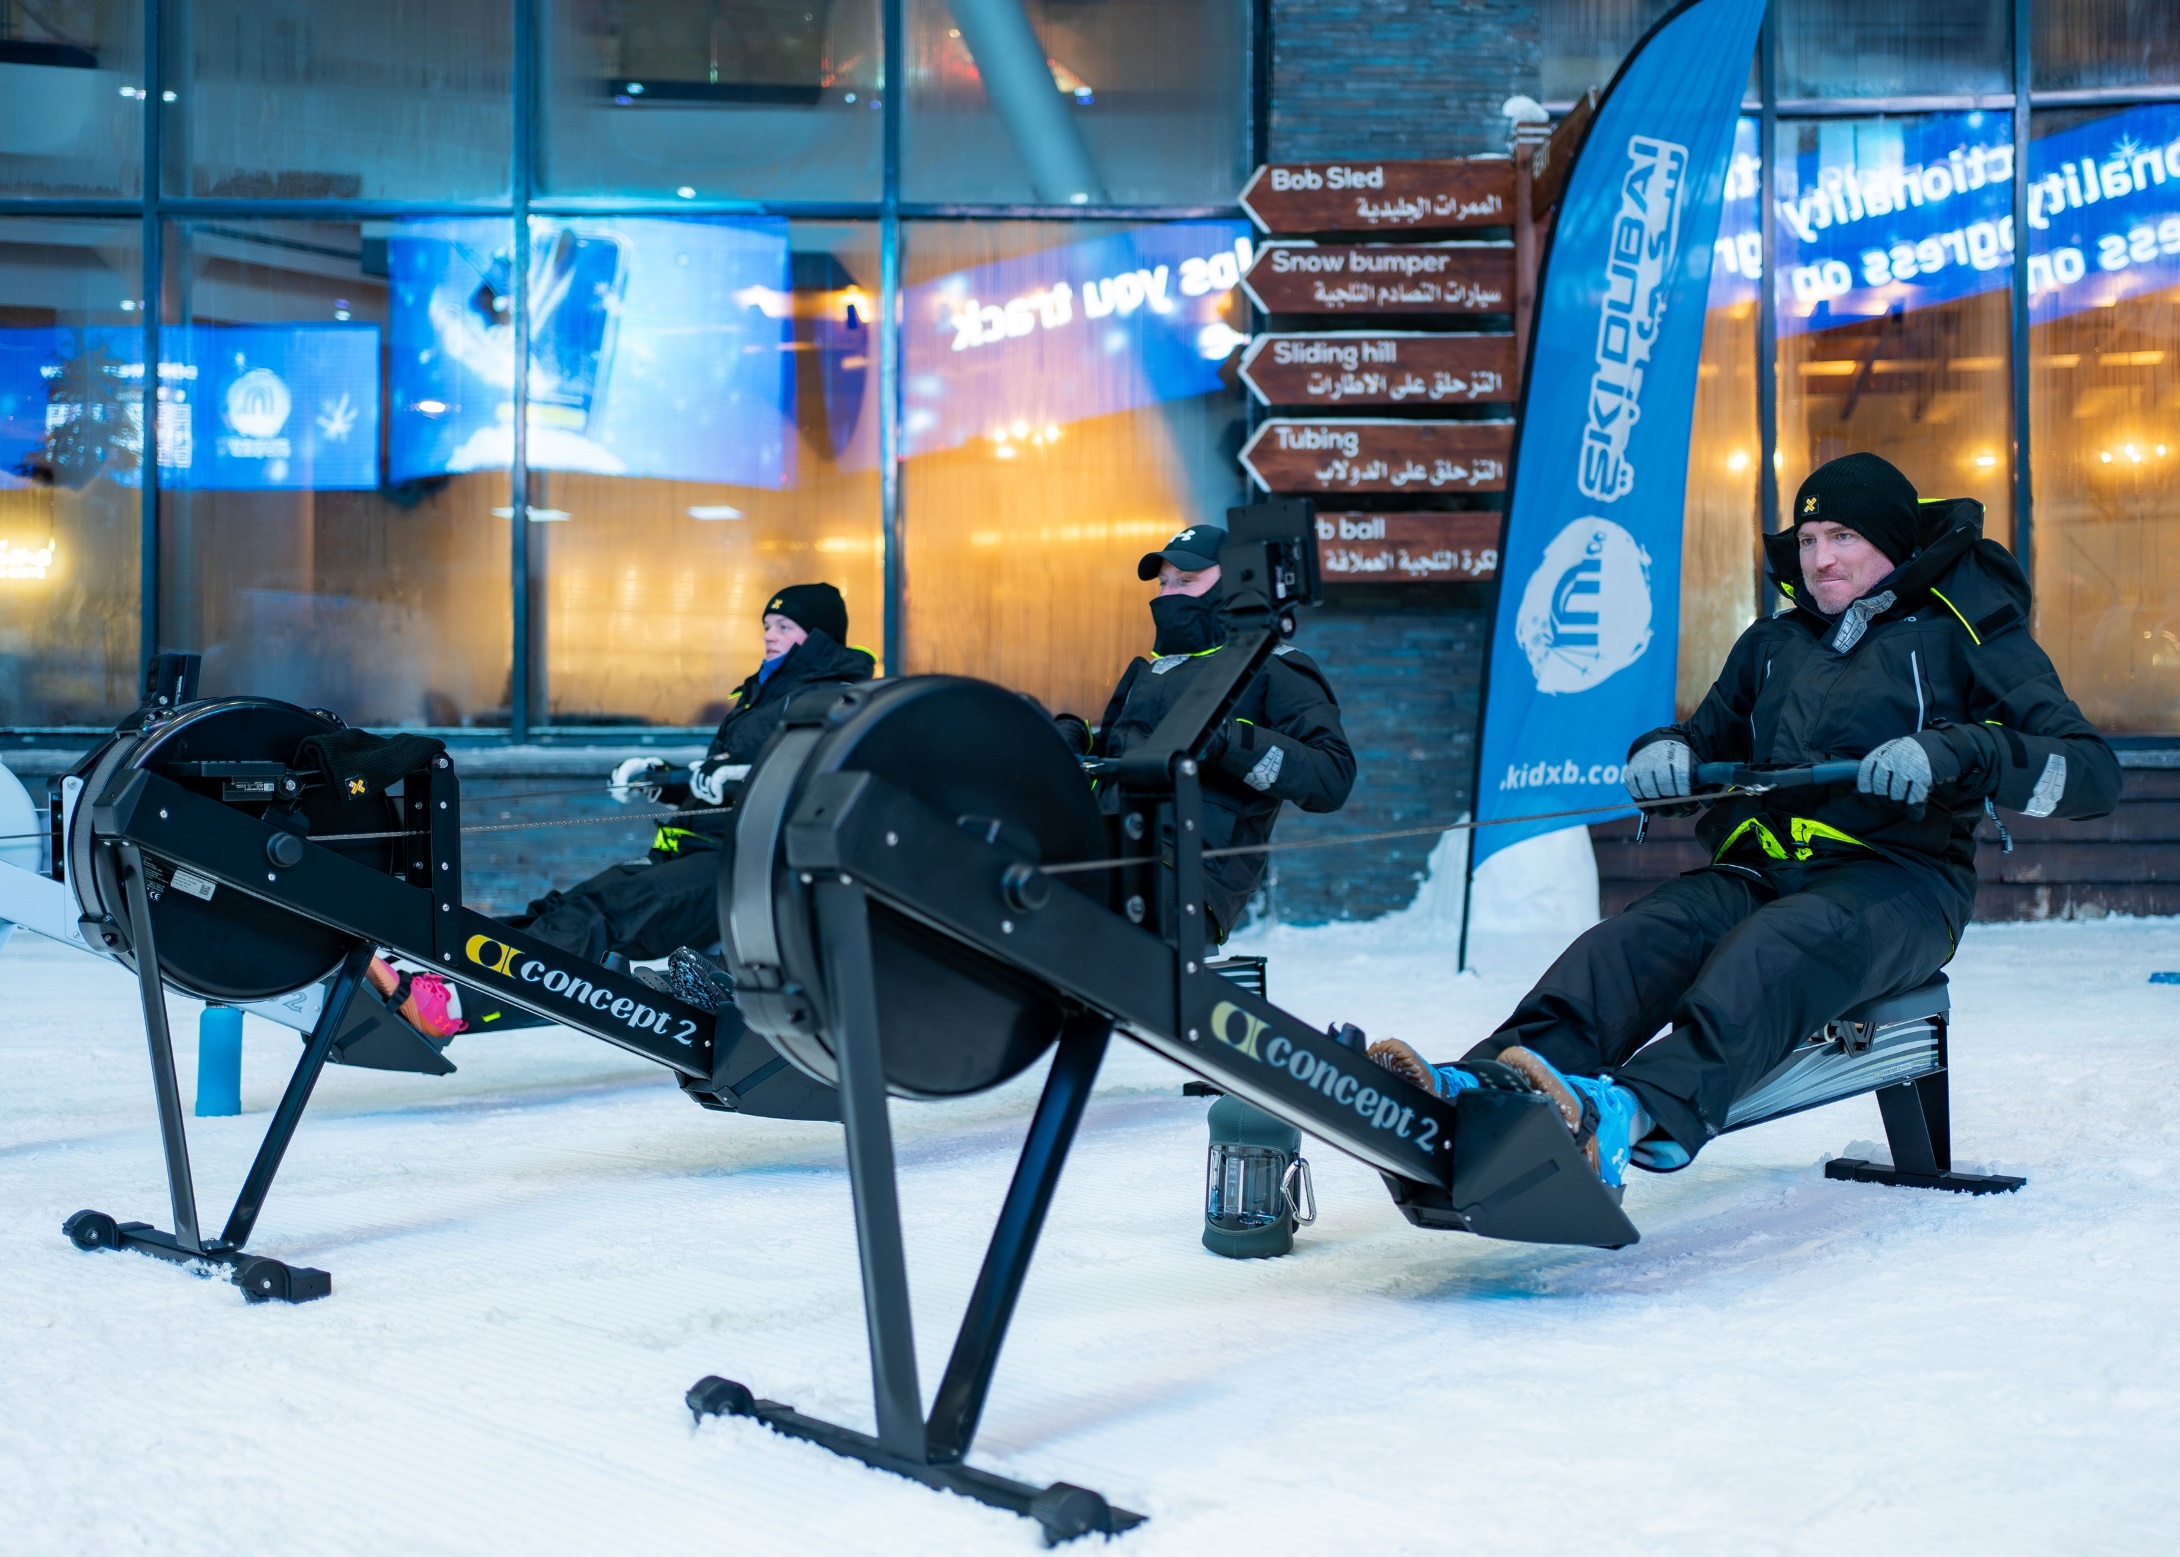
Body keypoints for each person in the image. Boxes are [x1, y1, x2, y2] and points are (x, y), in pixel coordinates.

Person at [1369, 452, 2120, 1189]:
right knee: (1632, 941)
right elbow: (1702, 741)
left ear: (1892, 543)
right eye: (1809, 540)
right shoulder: (1773, 644)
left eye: (1844, 537)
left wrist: (1957, 751)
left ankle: (1624, 1113)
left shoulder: (1965, 632)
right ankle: (1480, 1089)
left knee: (1773, 949)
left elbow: (2092, 772)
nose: (1820, 559)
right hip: (1761, 870)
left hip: (1903, 882)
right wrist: (1662, 755)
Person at [512, 582, 873, 987]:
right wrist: (662, 780)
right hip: (691, 852)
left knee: (605, 915)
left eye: (784, 626)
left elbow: (816, 781)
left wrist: (742, 778)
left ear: (820, 638)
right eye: (767, 626)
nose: (769, 635)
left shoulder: (833, 701)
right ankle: (472, 967)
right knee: (567, 907)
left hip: (740, 866)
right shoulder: (765, 694)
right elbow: (718, 780)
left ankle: (481, 997)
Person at [1067, 524, 1357, 942]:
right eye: (1164, 583)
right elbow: (1114, 753)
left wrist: (1230, 742)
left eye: (1185, 582)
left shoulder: (1274, 666)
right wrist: (1076, 739)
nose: (1167, 595)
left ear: (1232, 587)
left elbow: (1331, 777)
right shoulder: (1150, 670)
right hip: (1108, 846)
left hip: (1193, 873)